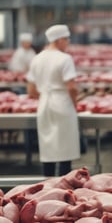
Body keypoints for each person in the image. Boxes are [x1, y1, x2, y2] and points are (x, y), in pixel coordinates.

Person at [26, 24, 80, 177]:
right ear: (59, 40)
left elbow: (30, 90)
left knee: (47, 147)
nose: (68, 42)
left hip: (44, 103)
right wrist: (74, 104)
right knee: (65, 149)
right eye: (66, 39)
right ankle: (64, 187)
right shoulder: (65, 58)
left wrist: (44, 95)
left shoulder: (37, 58)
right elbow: (71, 87)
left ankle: (47, 186)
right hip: (63, 102)